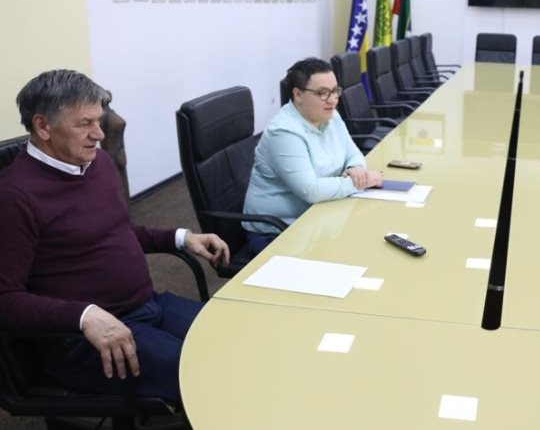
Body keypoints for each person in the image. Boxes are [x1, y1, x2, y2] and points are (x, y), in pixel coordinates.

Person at [0, 70, 230, 405]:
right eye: (84, 123)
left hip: (147, 304)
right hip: (83, 338)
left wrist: (181, 238)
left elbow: (116, 231)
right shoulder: (14, 196)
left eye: (98, 120)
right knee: (210, 375)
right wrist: (84, 316)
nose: (98, 133)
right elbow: (5, 298)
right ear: (43, 126)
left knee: (235, 339)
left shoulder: (99, 163)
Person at [242, 58, 384, 254]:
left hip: (319, 216)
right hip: (278, 231)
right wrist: (362, 182)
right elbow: (311, 190)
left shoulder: (330, 115)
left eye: (334, 91)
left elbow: (353, 154)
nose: (332, 100)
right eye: (322, 93)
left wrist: (355, 168)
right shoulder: (283, 132)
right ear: (298, 95)